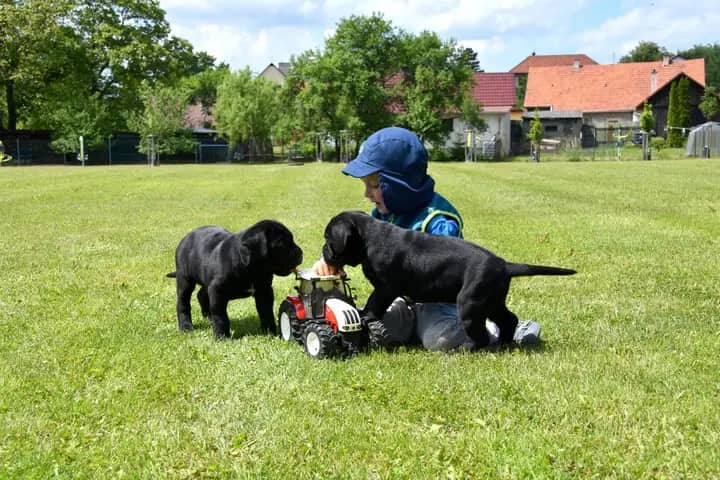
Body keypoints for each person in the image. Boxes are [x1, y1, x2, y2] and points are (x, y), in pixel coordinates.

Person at [314, 126, 540, 351]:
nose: (367, 194)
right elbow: (355, 241)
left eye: (374, 186)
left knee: (438, 339)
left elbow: (448, 270)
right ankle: (415, 329)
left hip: (442, 304)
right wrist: (331, 259)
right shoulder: (383, 216)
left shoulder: (438, 220)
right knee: (376, 326)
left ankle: (498, 328)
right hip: (406, 300)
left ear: (399, 185)